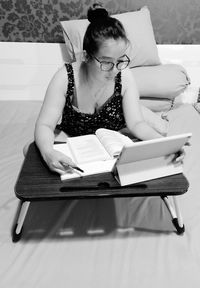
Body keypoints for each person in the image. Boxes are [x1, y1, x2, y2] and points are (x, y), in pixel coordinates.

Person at [34, 3, 183, 175]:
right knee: (34, 154)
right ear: (86, 57)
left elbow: (136, 123)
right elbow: (45, 124)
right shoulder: (65, 77)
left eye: (120, 61)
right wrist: (48, 153)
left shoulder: (124, 76)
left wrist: (167, 146)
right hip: (76, 141)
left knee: (158, 139)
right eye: (106, 62)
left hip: (114, 139)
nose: (114, 70)